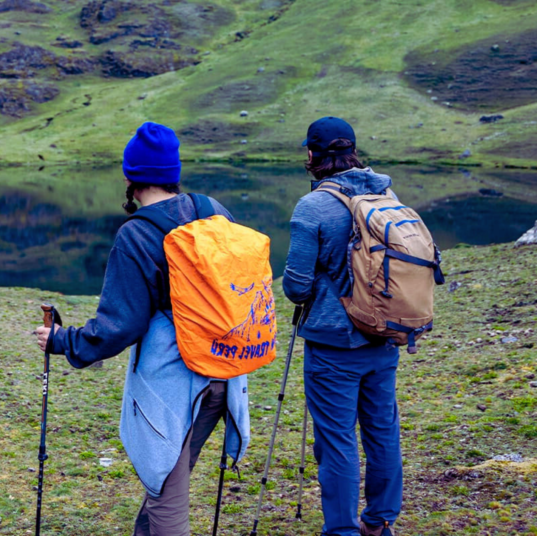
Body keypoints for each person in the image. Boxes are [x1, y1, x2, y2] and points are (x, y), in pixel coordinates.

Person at [35, 122, 250, 536]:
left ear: (130, 177)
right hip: (226, 371)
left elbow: (120, 326)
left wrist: (63, 341)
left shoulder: (137, 233)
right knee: (170, 475)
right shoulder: (215, 210)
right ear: (173, 171)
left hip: (175, 383)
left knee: (166, 489)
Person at [283, 117, 401, 536]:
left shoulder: (312, 206)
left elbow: (296, 287)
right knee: (382, 430)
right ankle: (379, 522)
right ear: (352, 149)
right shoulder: (385, 193)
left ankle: (342, 531)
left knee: (337, 441)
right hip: (385, 334)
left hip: (334, 344)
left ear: (312, 155)